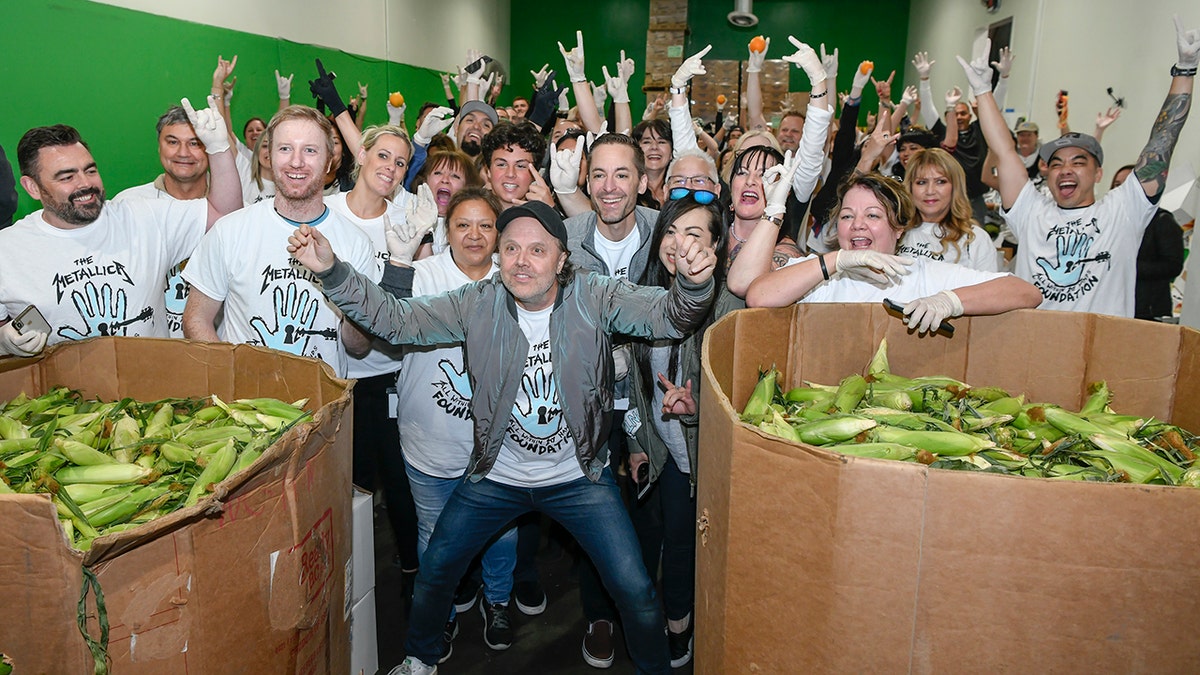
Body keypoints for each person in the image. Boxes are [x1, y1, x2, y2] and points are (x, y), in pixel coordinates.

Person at [285, 198, 717, 675]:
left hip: (579, 478)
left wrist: (694, 285)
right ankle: (420, 659)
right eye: (510, 249)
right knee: (435, 570)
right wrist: (331, 271)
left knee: (635, 588)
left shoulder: (595, 296)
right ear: (498, 257)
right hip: (496, 475)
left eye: (537, 250)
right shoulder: (479, 302)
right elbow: (396, 319)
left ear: (561, 258)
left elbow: (669, 316)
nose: (521, 261)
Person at [965, 17, 1198, 317]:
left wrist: (1185, 70)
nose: (1065, 170)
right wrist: (983, 90)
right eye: (1057, 163)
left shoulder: (1124, 210)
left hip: (1101, 351)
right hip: (1032, 347)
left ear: (1098, 173)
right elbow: (1003, 150)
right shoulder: (1031, 212)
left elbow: (1163, 141)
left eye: (1079, 162)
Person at [0, 98, 241, 357]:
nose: (85, 184)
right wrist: (4, 341)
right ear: (32, 187)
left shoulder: (143, 217)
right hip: (63, 394)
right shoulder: (8, 249)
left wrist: (218, 149)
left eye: (90, 170)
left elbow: (224, 214)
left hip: (156, 390)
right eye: (67, 177)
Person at [181, 105, 379, 377]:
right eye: (285, 149)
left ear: (330, 160)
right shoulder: (230, 231)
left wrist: (343, 286)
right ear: (269, 156)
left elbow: (358, 346)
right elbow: (195, 319)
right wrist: (231, 378)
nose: (296, 162)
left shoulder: (356, 242)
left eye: (310, 150)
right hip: (245, 406)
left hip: (325, 403)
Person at [623, 194, 727, 669]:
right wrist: (637, 444)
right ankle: (676, 625)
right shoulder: (642, 295)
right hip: (667, 458)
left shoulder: (728, 306)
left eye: (694, 234)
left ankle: (694, 627)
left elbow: (742, 401)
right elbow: (636, 391)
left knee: (702, 550)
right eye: (670, 231)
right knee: (671, 544)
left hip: (710, 459)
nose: (678, 244)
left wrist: (692, 407)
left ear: (716, 246)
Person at [745, 173, 1042, 330]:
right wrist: (836, 261)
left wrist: (950, 300)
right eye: (848, 216)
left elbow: (1025, 292)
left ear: (899, 228)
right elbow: (758, 296)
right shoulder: (821, 275)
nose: (857, 225)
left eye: (872, 216)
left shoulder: (920, 273)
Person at [323, 123, 425, 578]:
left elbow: (410, 302)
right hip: (331, 375)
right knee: (348, 482)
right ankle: (350, 573)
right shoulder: (322, 213)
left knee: (401, 484)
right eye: (383, 156)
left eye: (401, 162)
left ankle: (412, 575)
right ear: (360, 155)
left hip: (389, 373)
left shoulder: (404, 221)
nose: (390, 168)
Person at [898, 147, 999, 271]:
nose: (930, 191)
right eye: (921, 182)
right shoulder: (896, 231)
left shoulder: (975, 239)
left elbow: (989, 289)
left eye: (940, 181)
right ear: (910, 187)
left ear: (955, 188)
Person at [1111, 164, 1186, 320]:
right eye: (1117, 185)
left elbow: (1172, 266)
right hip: (1112, 308)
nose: (1121, 190)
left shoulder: (1162, 221)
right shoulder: (1107, 221)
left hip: (1148, 312)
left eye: (1126, 185)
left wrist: (1128, 266)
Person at [480, 122, 553, 211]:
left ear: (535, 174)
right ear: (488, 171)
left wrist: (550, 214)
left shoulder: (546, 215)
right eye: (501, 165)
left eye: (520, 166)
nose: (510, 174)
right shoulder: (469, 212)